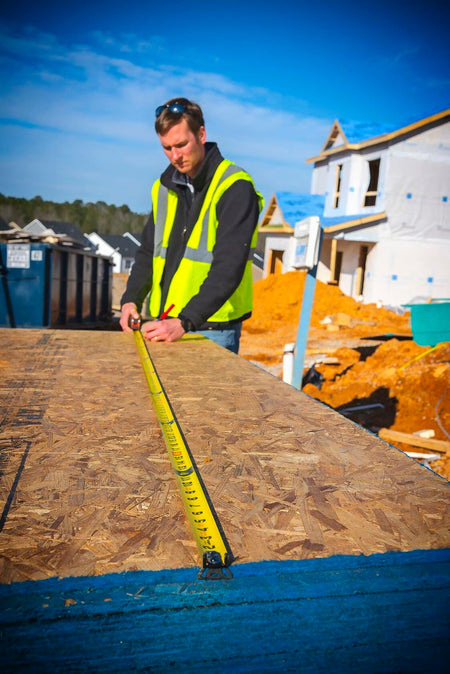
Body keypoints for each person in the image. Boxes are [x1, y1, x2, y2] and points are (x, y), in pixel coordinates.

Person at [120, 97, 263, 353]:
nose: (175, 156)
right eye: (166, 147)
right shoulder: (163, 189)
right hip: (166, 324)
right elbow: (147, 252)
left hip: (212, 329)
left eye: (181, 144)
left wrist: (186, 321)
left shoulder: (234, 186)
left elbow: (229, 267)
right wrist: (130, 299)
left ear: (201, 134)